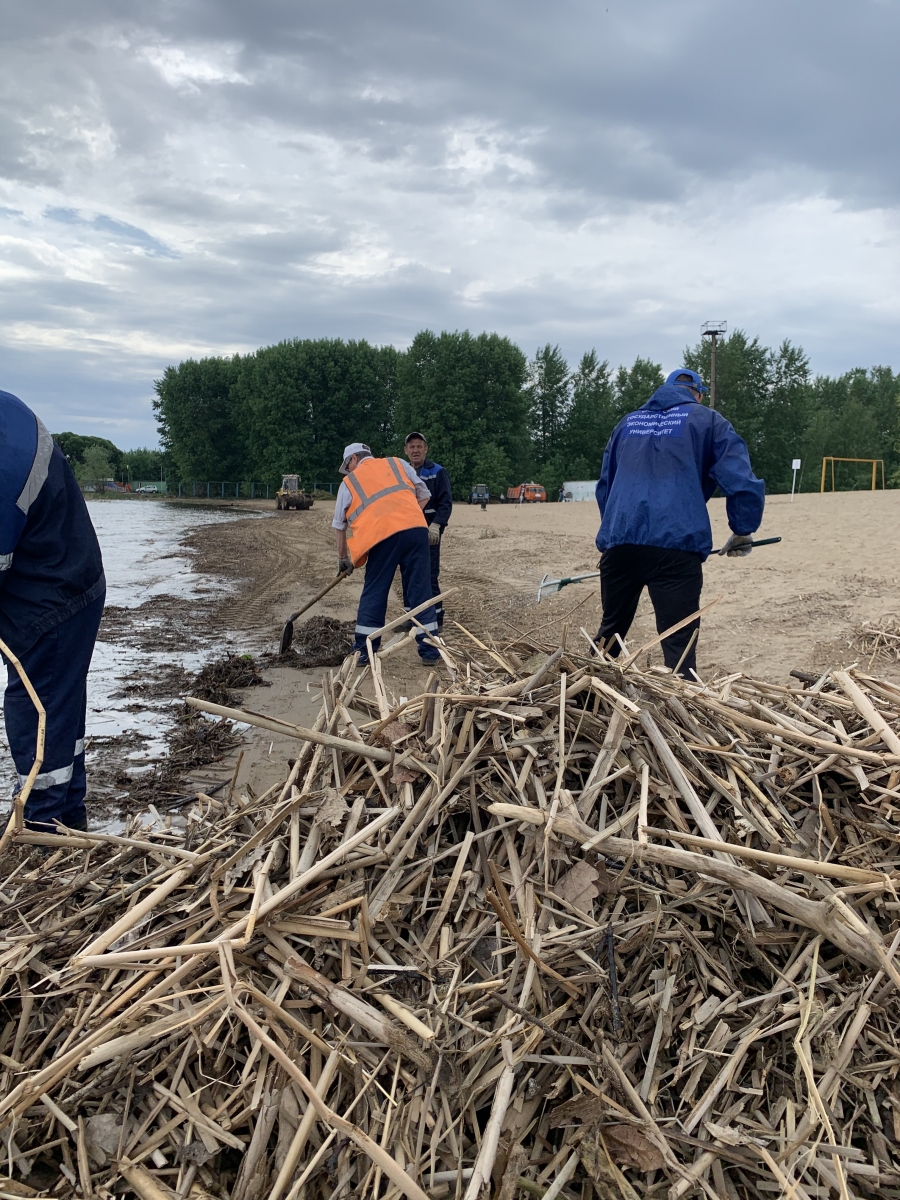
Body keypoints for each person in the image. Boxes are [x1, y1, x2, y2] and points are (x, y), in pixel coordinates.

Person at [594, 369, 764, 678]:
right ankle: (680, 715)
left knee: (610, 636)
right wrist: (742, 529)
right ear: (697, 394)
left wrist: (613, 533)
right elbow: (740, 480)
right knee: (678, 645)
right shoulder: (708, 421)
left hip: (621, 543)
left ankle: (584, 695)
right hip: (676, 546)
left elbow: (606, 485)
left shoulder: (626, 424)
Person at [0, 389, 106, 833]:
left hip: (51, 599)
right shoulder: (8, 415)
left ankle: (41, 828)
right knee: (60, 711)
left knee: (39, 710)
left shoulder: (6, 462)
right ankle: (69, 820)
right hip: (70, 580)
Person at [332, 442, 440, 664]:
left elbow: (339, 524)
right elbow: (425, 494)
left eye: (348, 465)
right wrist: (405, 517)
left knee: (376, 590)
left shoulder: (349, 482)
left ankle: (364, 650)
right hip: (416, 530)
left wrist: (343, 558)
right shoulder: (398, 463)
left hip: (382, 538)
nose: (349, 470)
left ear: (353, 459)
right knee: (420, 590)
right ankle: (430, 651)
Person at [403, 432, 453, 630]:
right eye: (411, 447)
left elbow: (445, 503)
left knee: (429, 576)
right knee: (408, 574)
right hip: (407, 531)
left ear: (426, 449)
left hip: (429, 534)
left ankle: (437, 620)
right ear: (406, 451)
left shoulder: (437, 472)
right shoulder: (403, 472)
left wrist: (437, 525)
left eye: (419, 446)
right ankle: (410, 617)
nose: (415, 450)